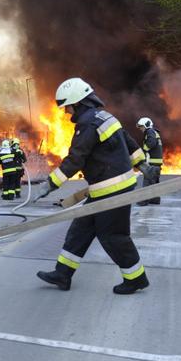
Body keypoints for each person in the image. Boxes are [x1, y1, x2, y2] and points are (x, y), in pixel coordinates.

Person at [35, 77, 149, 294]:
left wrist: (51, 183)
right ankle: (63, 274)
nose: (67, 112)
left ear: (77, 102)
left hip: (112, 189)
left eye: (67, 107)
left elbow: (76, 158)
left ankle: (136, 278)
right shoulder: (104, 116)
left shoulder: (87, 123)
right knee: (81, 229)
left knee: (113, 235)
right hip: (105, 188)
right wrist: (141, 163)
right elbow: (127, 140)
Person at [136, 117, 163, 205]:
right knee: (154, 181)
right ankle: (155, 199)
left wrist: (144, 150)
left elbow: (151, 142)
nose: (140, 129)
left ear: (146, 125)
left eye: (141, 127)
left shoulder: (150, 132)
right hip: (157, 163)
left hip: (152, 162)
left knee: (147, 181)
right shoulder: (154, 132)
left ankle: (143, 201)